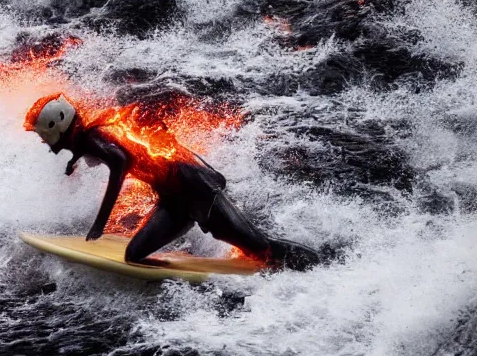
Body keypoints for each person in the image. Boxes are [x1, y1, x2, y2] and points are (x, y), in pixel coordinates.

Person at [24, 94, 320, 270]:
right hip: (173, 200)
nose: (41, 139)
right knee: (134, 255)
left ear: (58, 127)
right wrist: (73, 162)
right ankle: (181, 275)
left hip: (196, 189)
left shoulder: (92, 137)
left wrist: (100, 223)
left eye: (42, 133)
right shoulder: (87, 139)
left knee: (259, 247)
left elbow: (120, 162)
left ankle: (320, 264)